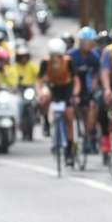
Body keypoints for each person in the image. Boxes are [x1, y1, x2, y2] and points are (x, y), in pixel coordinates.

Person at [39, 37, 80, 165]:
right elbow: (39, 80)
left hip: (66, 89)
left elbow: (76, 80)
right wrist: (40, 92)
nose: (55, 59)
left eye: (58, 56)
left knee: (68, 115)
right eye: (53, 56)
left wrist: (75, 93)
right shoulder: (45, 62)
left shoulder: (69, 62)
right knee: (44, 100)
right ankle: (45, 121)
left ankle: (69, 148)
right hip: (53, 87)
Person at [69, 26, 103, 153]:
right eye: (84, 42)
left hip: (88, 87)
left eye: (90, 42)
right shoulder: (71, 56)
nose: (87, 45)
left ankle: (89, 135)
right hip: (74, 86)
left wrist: (93, 88)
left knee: (92, 109)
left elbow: (96, 74)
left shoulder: (94, 57)